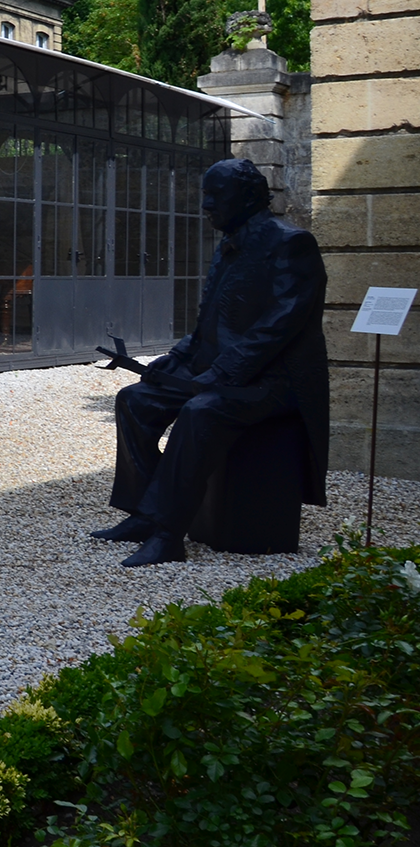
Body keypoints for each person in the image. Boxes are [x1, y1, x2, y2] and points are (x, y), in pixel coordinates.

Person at [93, 158, 328, 566]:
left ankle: (168, 534)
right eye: (206, 194)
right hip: (223, 371)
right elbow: (208, 322)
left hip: (272, 380)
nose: (206, 205)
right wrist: (177, 358)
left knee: (201, 412)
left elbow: (278, 327)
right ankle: (144, 515)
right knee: (135, 400)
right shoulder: (228, 243)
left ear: (250, 197)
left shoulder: (292, 243)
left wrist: (219, 374)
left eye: (216, 195)